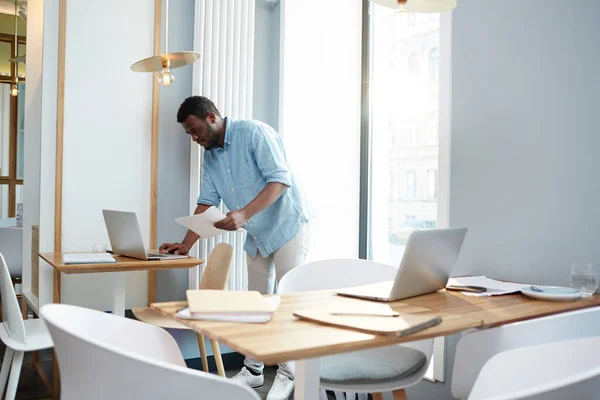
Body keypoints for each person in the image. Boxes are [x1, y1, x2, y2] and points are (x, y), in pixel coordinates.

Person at [160, 96, 311, 400]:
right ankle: (253, 371)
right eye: (189, 134)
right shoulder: (211, 156)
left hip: (287, 225)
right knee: (254, 303)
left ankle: (288, 373)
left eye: (195, 130)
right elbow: (207, 202)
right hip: (257, 233)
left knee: (286, 304)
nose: (194, 138)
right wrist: (185, 244)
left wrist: (243, 214)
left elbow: (280, 180)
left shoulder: (254, 133)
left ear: (212, 118)